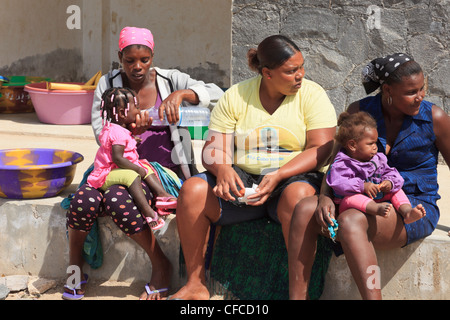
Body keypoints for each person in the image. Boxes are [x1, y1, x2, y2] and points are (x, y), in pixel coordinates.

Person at [169, 35, 337, 300]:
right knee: (193, 189)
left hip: (293, 177)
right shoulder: (236, 95)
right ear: (267, 73)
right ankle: (195, 284)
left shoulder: (312, 94)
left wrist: (280, 174)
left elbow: (323, 148)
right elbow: (213, 149)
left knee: (298, 199)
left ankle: (298, 296)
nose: (300, 75)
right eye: (291, 71)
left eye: (301, 67)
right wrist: (223, 169)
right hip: (243, 181)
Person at [63, 26, 224, 300]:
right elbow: (100, 131)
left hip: (162, 172)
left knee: (116, 197)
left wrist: (182, 96)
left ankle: (159, 264)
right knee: (82, 201)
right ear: (119, 57)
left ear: (152, 57)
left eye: (144, 60)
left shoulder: (171, 80)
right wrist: (130, 131)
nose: (137, 67)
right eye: (129, 60)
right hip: (117, 166)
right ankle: (75, 267)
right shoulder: (108, 84)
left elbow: (217, 93)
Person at [288, 53, 450, 300]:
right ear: (387, 90)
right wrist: (324, 196)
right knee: (304, 209)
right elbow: (337, 162)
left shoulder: (433, 118)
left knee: (351, 220)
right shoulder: (360, 112)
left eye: (421, 88)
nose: (420, 96)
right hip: (357, 194)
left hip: (412, 206)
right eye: (411, 92)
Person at [87, 87, 177, 231]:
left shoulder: (116, 129)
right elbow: (117, 158)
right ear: (123, 113)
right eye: (136, 107)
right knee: (133, 176)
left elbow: (118, 144)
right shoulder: (118, 133)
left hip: (115, 168)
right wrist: (136, 168)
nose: (139, 111)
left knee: (146, 166)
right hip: (106, 173)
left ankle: (162, 196)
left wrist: (132, 141)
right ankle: (148, 213)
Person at [327, 111, 426, 223]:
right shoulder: (342, 164)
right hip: (349, 204)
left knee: (396, 190)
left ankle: (407, 212)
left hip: (375, 196)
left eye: (375, 142)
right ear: (352, 145)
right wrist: (362, 186)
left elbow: (392, 173)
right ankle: (376, 208)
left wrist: (389, 182)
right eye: (370, 143)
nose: (375, 147)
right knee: (351, 198)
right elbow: (339, 183)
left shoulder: (377, 159)